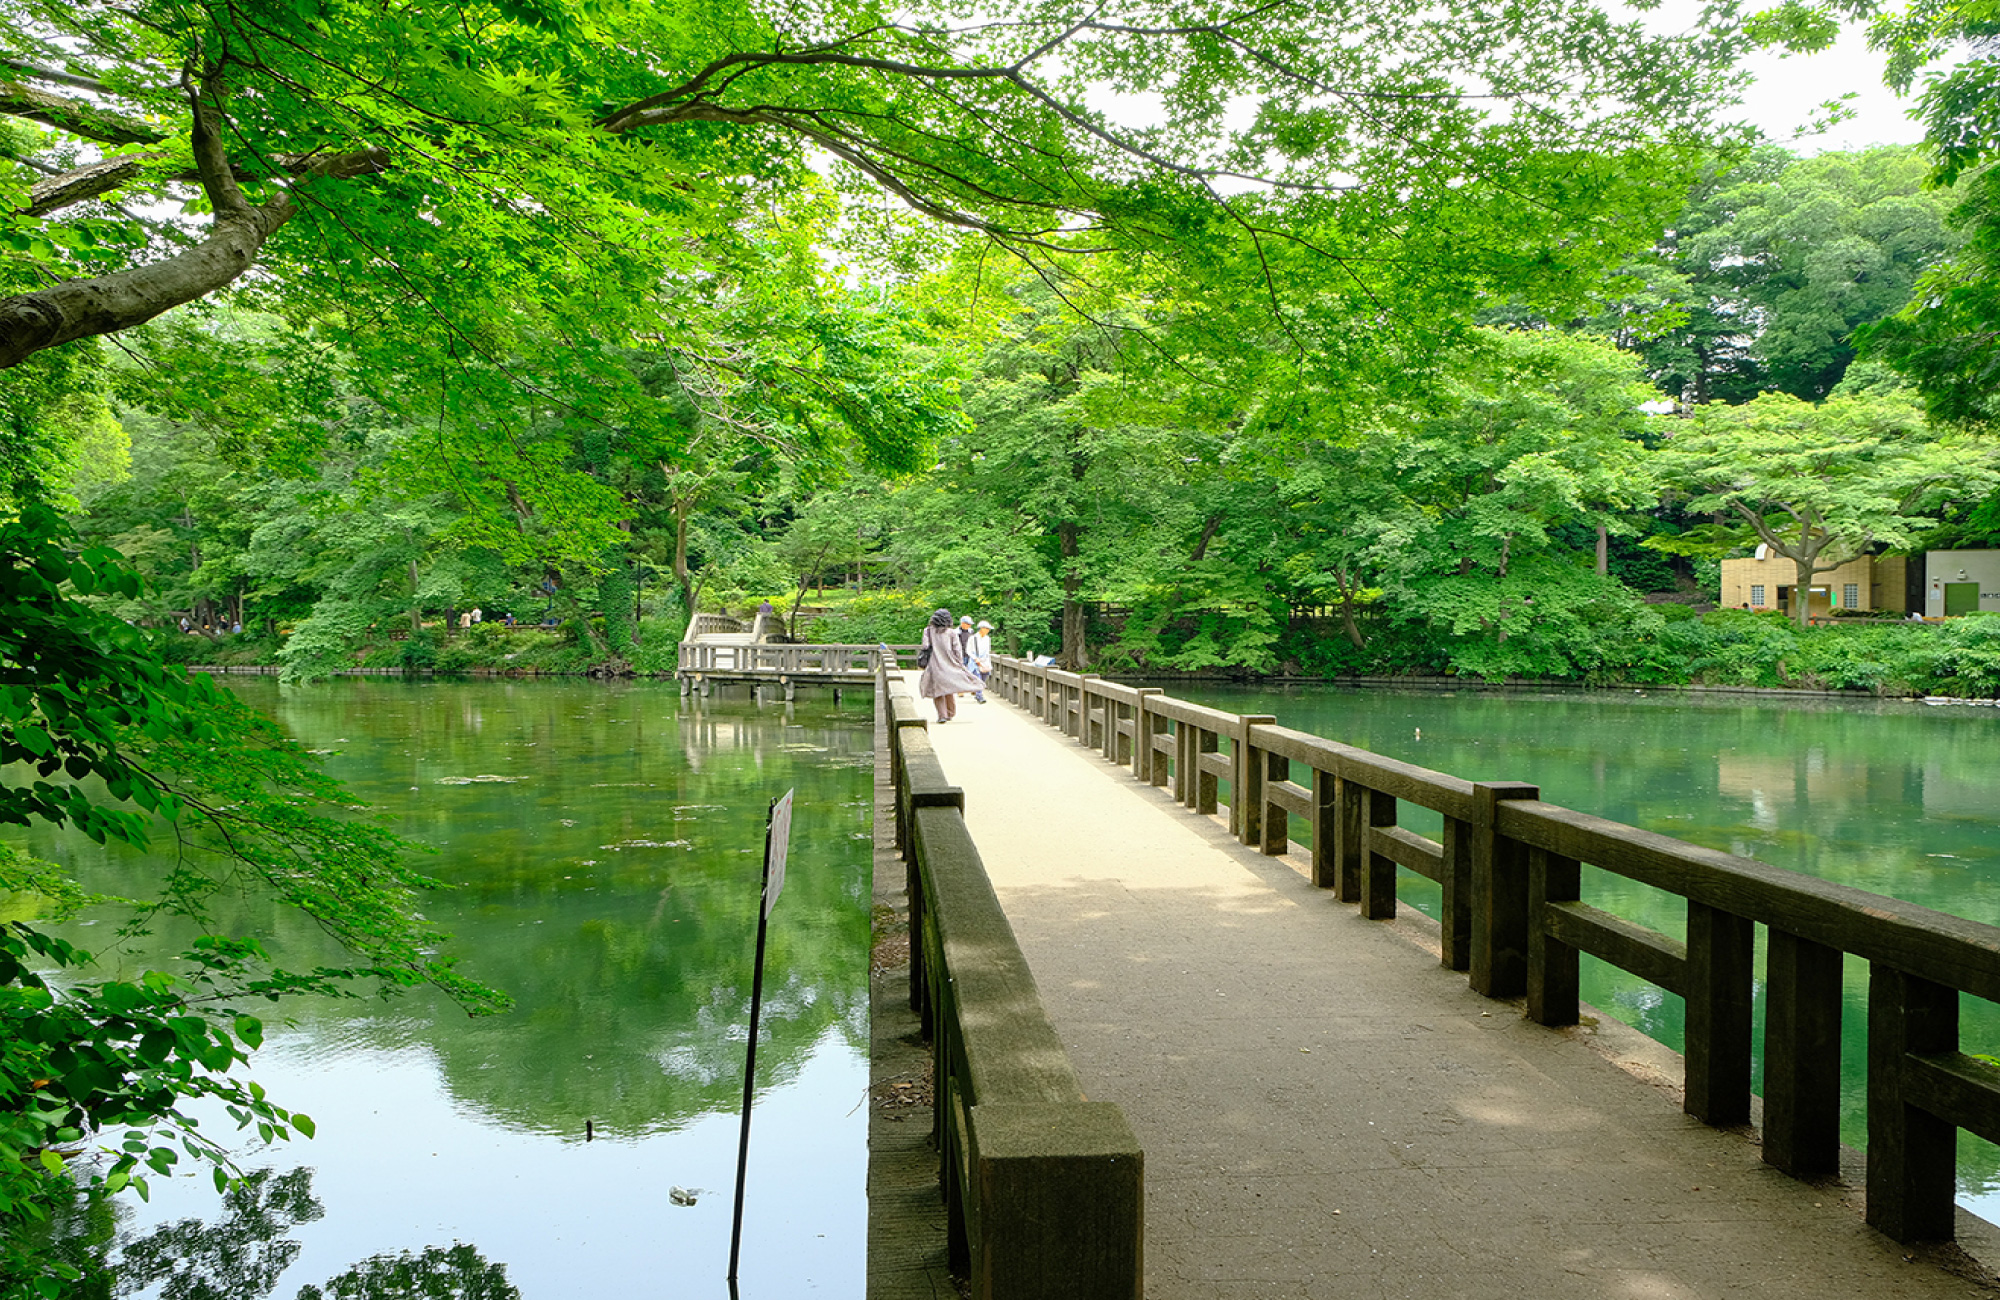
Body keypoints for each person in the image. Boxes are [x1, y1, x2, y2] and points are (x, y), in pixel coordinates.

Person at [916, 609, 982, 723]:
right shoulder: (951, 632)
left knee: (937, 690)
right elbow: (957, 649)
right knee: (948, 687)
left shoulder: (928, 630)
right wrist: (960, 664)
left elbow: (925, 645)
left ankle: (942, 715)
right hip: (949, 663)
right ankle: (950, 713)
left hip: (934, 664)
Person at [957, 615, 986, 704]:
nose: (969, 626)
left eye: (970, 624)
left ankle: (974, 690)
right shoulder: (956, 632)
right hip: (960, 655)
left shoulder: (971, 632)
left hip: (971, 655)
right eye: (968, 624)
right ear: (962, 623)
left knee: (974, 673)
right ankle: (961, 689)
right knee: (961, 673)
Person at [970, 619, 995, 698]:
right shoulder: (973, 638)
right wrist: (975, 658)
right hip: (975, 661)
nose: (988, 630)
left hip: (985, 661)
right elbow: (969, 650)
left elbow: (988, 651)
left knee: (984, 677)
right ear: (981, 628)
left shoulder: (987, 638)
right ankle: (979, 695)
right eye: (986, 628)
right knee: (978, 677)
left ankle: (976, 690)